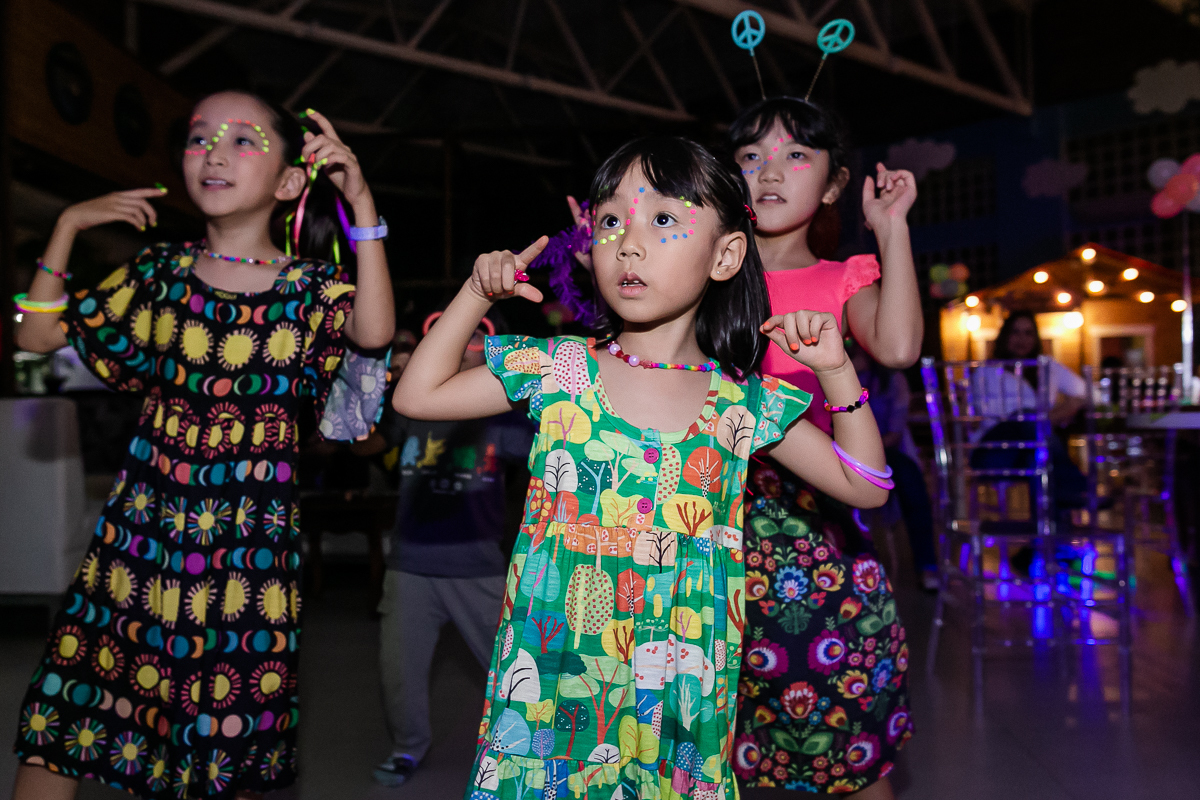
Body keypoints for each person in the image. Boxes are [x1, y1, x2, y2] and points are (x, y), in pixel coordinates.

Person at [395, 135, 890, 800]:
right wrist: (474, 294)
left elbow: (868, 485)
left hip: (682, 701)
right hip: (554, 686)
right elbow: (416, 395)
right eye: (609, 222)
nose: (628, 243)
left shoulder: (743, 403)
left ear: (725, 255)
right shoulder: (562, 368)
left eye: (663, 219)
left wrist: (836, 372)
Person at [10, 91, 394, 800]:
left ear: (287, 182)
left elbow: (373, 335)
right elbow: (35, 336)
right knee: (63, 721)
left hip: (246, 559)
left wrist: (362, 205)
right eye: (197, 137)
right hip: (138, 547)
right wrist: (66, 226)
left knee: (226, 754)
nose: (213, 151)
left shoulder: (315, 289)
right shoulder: (157, 275)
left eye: (243, 140)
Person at [727, 97, 920, 798]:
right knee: (714, 749)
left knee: (848, 744)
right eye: (750, 156)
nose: (769, 172)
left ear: (835, 183)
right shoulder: (701, 282)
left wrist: (890, 230)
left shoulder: (843, 280)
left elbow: (897, 347)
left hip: (822, 539)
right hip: (705, 535)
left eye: (795, 155)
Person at [371, 312, 533, 787]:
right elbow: (375, 445)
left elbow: (546, 455)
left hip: (476, 567)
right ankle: (406, 749)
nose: (466, 346)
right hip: (410, 566)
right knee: (399, 672)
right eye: (456, 337)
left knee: (511, 673)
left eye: (478, 339)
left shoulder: (503, 416)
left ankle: (528, 752)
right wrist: (353, 429)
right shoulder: (412, 407)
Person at [970, 309, 1089, 509]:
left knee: (1040, 455)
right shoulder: (987, 372)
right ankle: (1078, 490)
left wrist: (1071, 405)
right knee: (1026, 420)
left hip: (1034, 449)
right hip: (996, 450)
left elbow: (1086, 392)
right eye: (1015, 332)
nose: (1022, 339)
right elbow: (1004, 417)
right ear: (1005, 336)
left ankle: (1045, 534)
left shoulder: (1047, 367)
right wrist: (1054, 415)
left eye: (1028, 333)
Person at [849, 343, 937, 591]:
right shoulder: (843, 378)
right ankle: (854, 565)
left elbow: (895, 433)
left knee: (911, 484)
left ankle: (927, 565)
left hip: (887, 450)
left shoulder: (893, 381)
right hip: (849, 454)